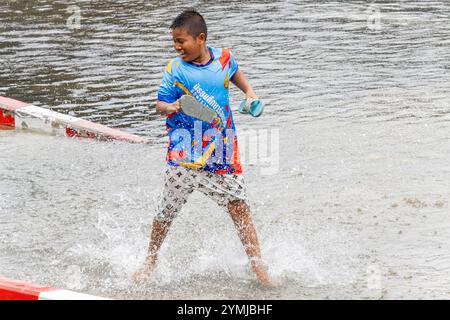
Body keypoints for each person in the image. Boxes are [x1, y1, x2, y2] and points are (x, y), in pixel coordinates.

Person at [133, 9, 272, 286]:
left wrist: (250, 93)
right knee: (166, 213)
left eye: (181, 41)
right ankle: (150, 260)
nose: (176, 46)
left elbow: (235, 74)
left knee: (240, 209)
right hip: (183, 154)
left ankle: (259, 269)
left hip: (221, 153)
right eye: (174, 41)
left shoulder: (224, 58)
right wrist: (169, 107)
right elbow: (159, 104)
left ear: (201, 38)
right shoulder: (175, 69)